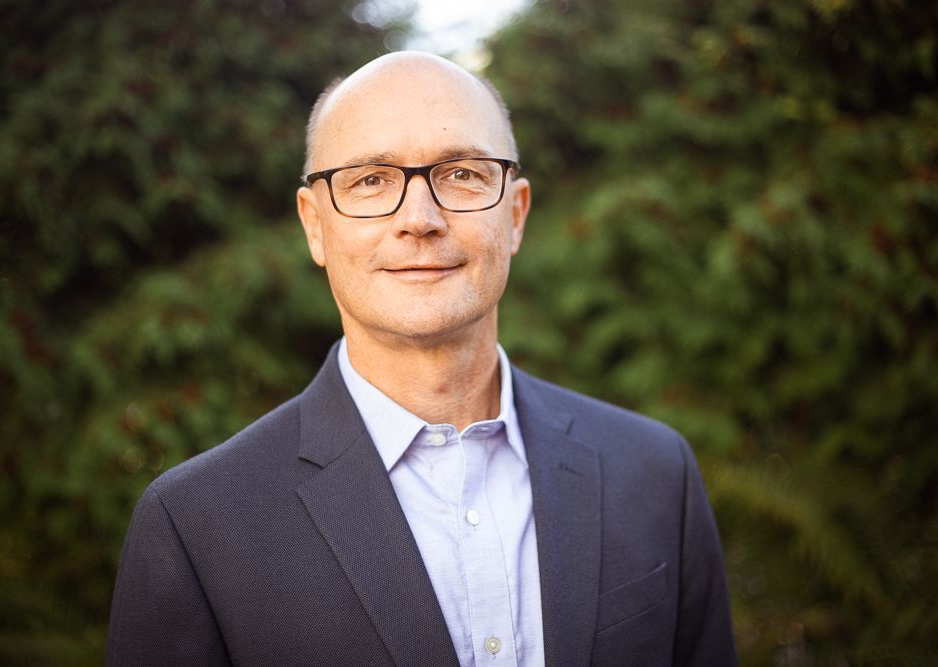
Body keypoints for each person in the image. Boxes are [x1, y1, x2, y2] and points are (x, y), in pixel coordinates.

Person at [106, 51, 737, 666]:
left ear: (514, 215)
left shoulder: (654, 474)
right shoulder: (198, 525)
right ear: (315, 226)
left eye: (461, 173)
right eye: (370, 180)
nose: (419, 219)